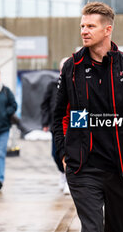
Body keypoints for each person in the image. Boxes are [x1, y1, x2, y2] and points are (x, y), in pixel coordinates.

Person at [53, 2, 123, 232]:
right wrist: (63, 153)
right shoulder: (72, 67)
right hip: (83, 167)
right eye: (82, 26)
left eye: (90, 26)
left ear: (107, 30)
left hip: (121, 167)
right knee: (92, 229)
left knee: (118, 228)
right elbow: (60, 114)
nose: (84, 31)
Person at [41, 57, 70, 194]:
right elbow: (45, 104)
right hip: (56, 125)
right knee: (56, 153)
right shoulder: (52, 84)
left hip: (73, 125)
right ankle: (62, 172)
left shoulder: (78, 83)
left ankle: (69, 180)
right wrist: (45, 122)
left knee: (70, 152)